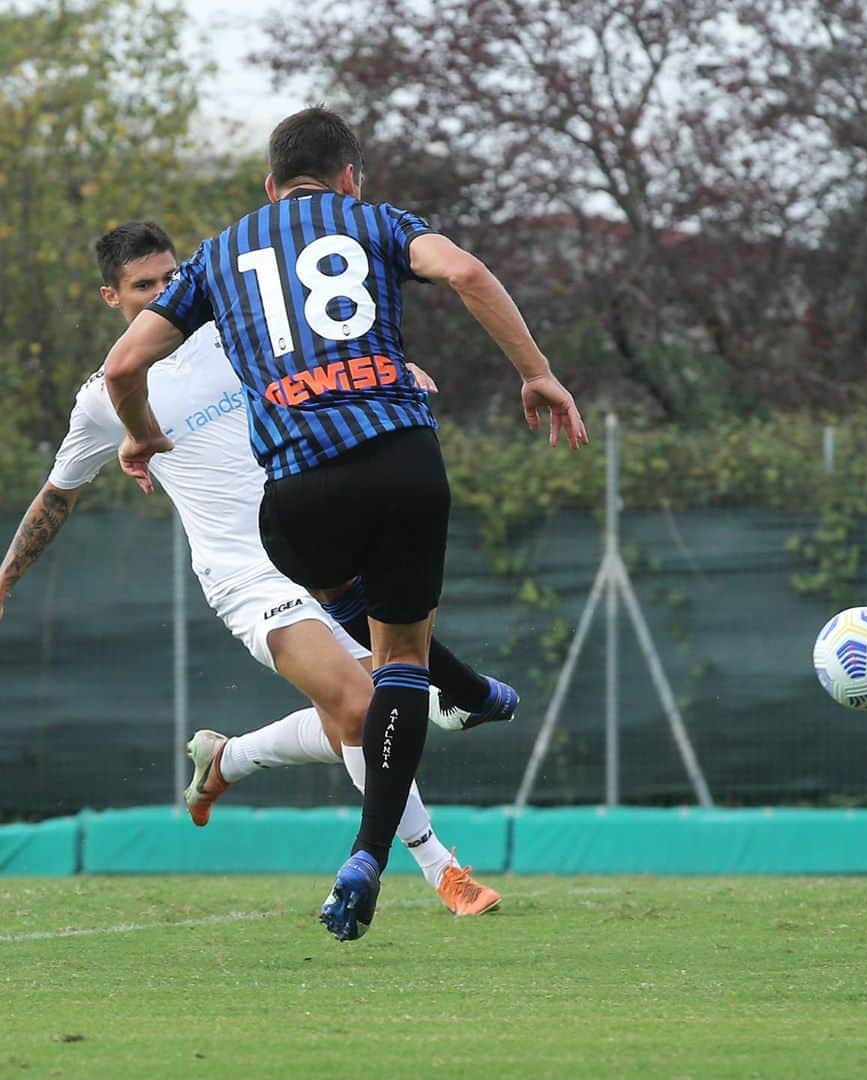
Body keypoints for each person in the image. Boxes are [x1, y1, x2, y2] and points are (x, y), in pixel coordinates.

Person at [104, 106, 587, 941]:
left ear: (268, 184)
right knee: (397, 661)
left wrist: (142, 434)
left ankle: (464, 698)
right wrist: (538, 375)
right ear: (348, 177)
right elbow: (468, 275)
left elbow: (123, 364)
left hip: (298, 495)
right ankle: (375, 842)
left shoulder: (219, 255)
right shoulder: (373, 221)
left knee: (350, 616)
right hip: (402, 461)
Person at [0, 220, 502, 916]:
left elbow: (326, 361)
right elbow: (57, 495)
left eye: (171, 278)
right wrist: (4, 581)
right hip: (246, 575)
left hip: (317, 541)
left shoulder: (235, 333)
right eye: (143, 286)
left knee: (368, 715)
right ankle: (440, 869)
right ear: (110, 296)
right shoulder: (101, 400)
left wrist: (391, 377)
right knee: (363, 707)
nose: (162, 293)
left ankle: (227, 759)